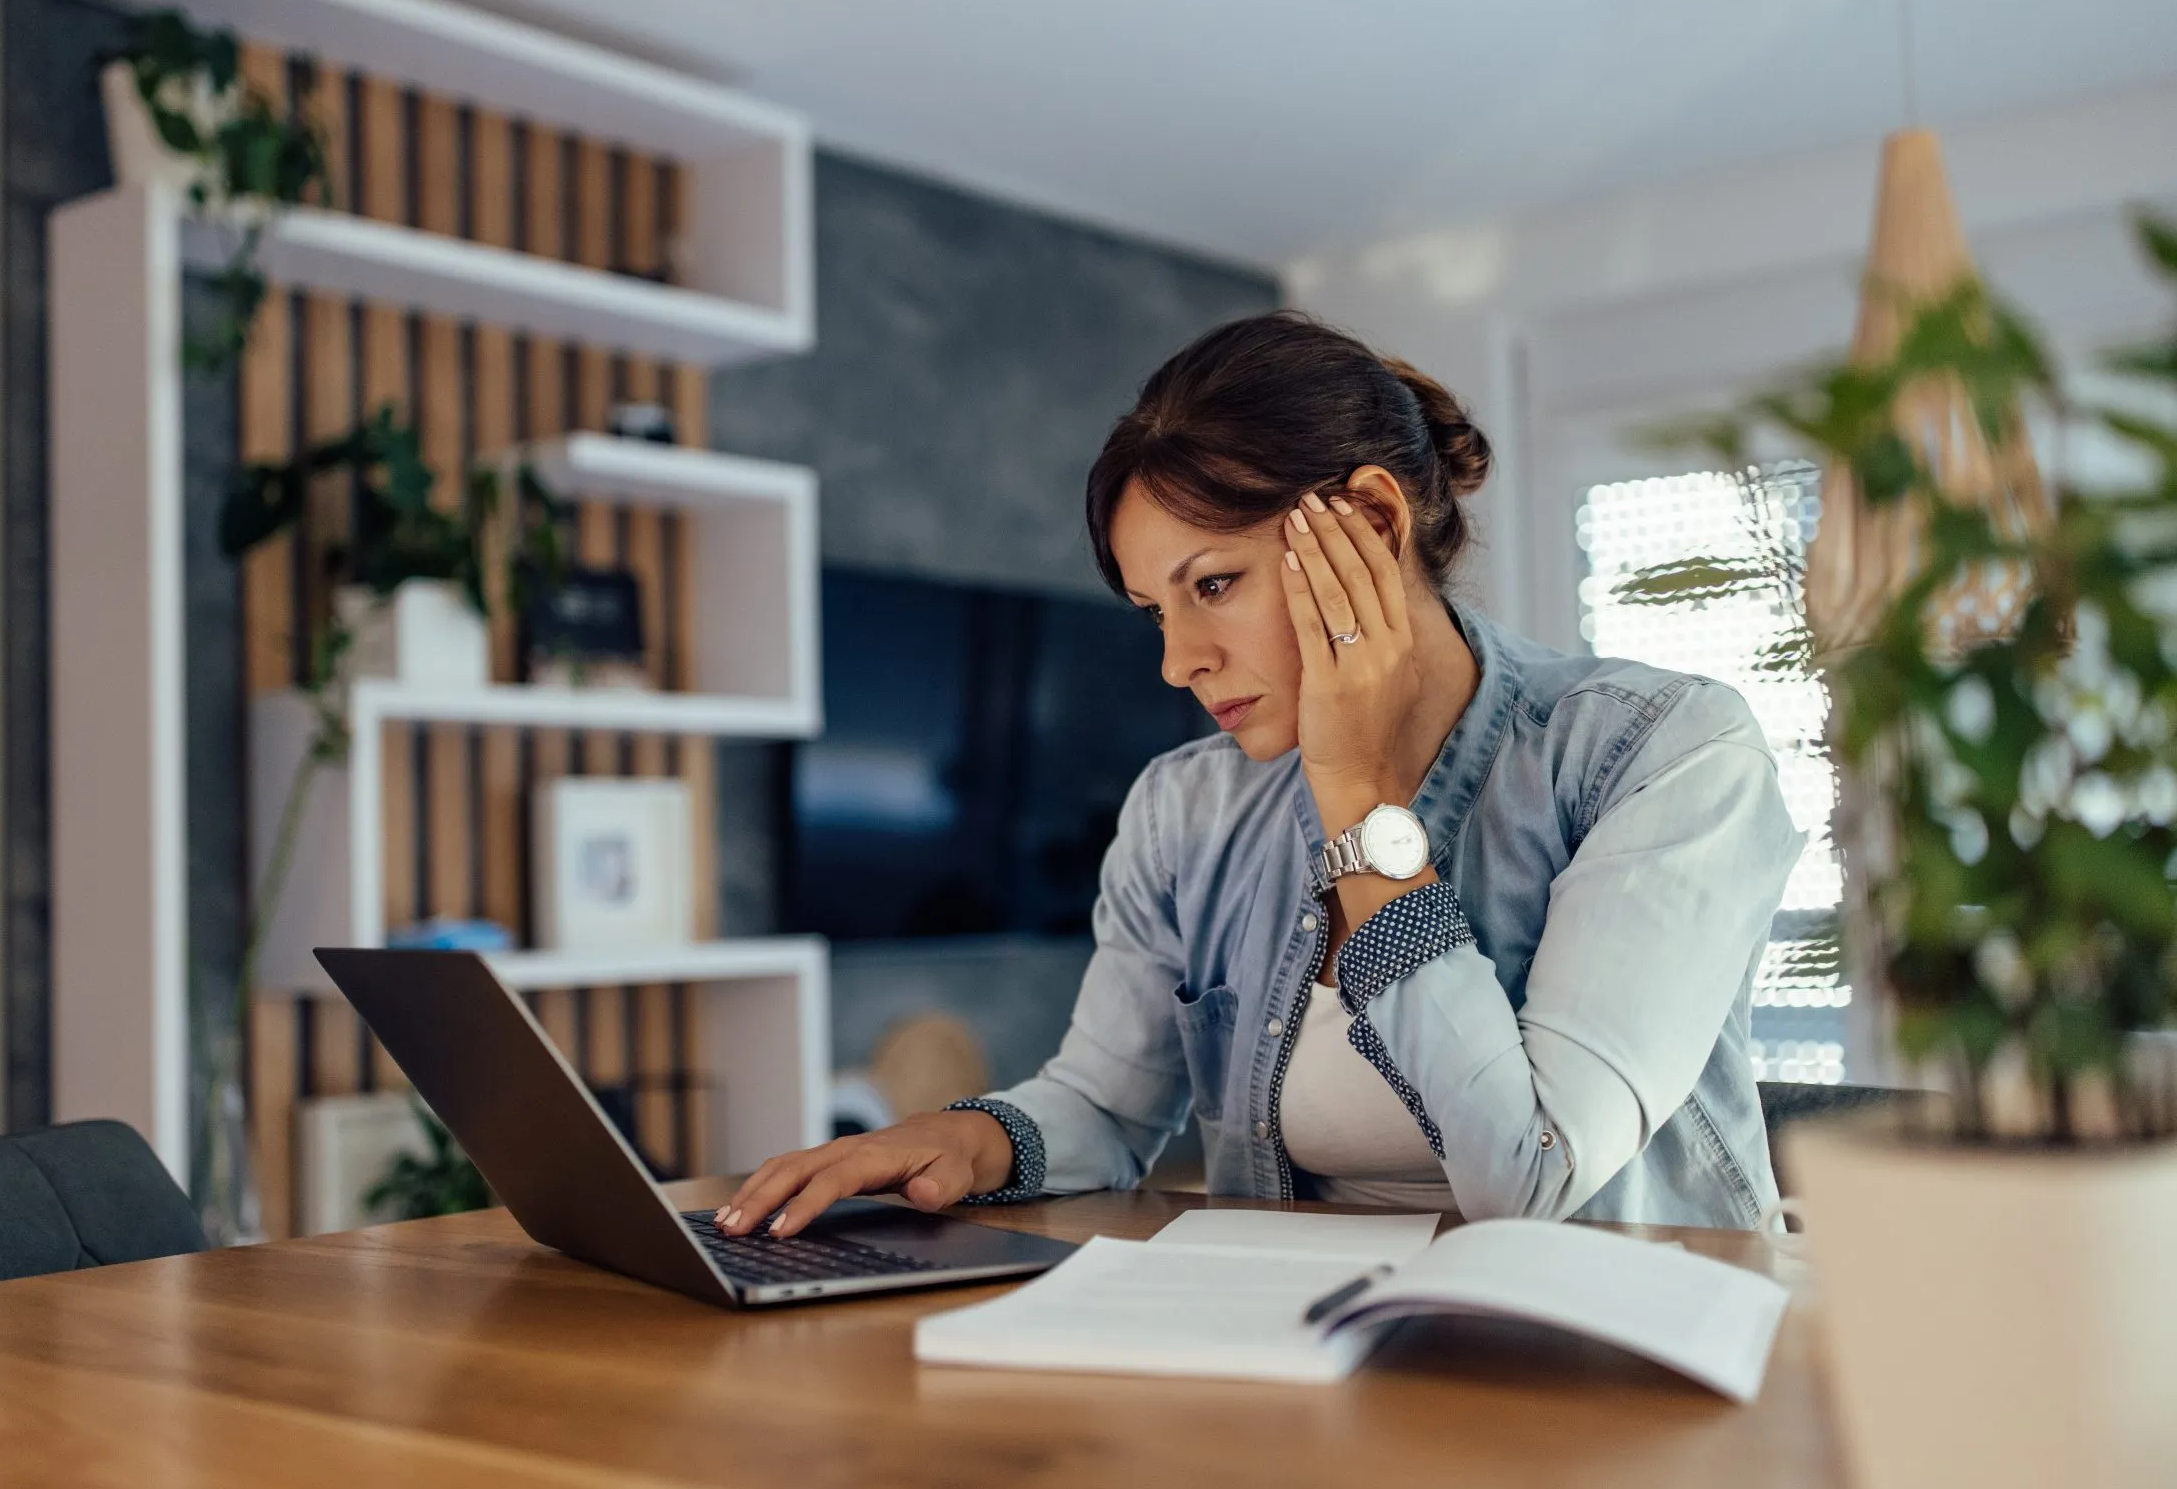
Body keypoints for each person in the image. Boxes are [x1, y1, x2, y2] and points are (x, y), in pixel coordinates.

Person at [719, 312, 1803, 1239]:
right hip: (1313, 1362)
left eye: (1215, 582)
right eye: (1155, 609)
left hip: (1612, 1376)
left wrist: (1360, 800)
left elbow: (1527, 1177)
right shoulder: (1186, 809)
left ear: (1374, 523)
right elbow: (1106, 1105)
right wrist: (961, 1134)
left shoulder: (1663, 753)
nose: (1175, 660)